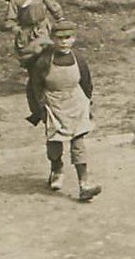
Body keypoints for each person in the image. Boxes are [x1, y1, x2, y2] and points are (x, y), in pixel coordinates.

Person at [25, 20, 101, 201]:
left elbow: (86, 83)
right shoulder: (43, 61)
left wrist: (87, 103)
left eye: (68, 38)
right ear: (52, 39)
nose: (64, 42)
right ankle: (56, 169)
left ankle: (84, 184)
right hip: (54, 104)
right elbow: (35, 86)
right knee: (55, 143)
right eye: (59, 38)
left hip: (76, 102)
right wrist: (40, 109)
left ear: (74, 38)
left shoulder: (79, 58)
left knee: (79, 143)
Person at [5, 0, 64, 68]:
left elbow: (53, 7)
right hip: (26, 33)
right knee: (30, 58)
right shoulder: (15, 0)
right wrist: (16, 29)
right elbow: (10, 19)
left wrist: (59, 18)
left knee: (46, 52)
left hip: (42, 29)